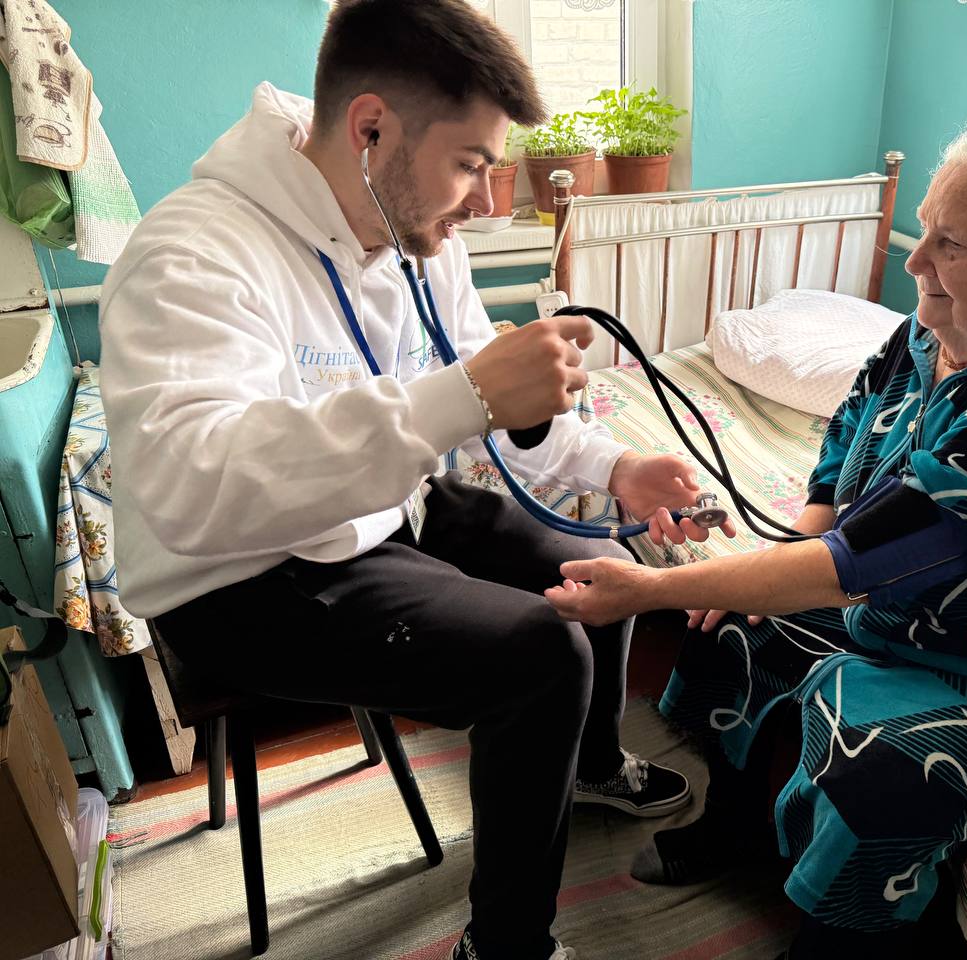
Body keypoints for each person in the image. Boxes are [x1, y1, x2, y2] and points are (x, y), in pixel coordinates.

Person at [98, 2, 729, 958]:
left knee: (597, 566)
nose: (483, 199)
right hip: (240, 574)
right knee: (543, 656)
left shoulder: (419, 242)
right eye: (471, 163)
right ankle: (506, 944)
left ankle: (590, 764)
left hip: (382, 511)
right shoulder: (194, 253)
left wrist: (617, 467)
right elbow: (194, 487)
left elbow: (492, 401)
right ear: (371, 129)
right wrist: (457, 398)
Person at [545, 112, 967, 958]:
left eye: (951, 244)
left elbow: (860, 562)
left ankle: (839, 940)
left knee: (885, 776)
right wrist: (784, 551)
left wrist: (650, 587)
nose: (914, 262)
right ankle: (735, 828)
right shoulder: (932, 331)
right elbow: (848, 442)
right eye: (924, 228)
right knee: (738, 626)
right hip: (917, 606)